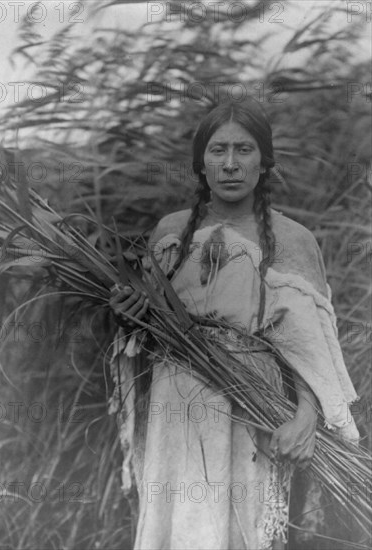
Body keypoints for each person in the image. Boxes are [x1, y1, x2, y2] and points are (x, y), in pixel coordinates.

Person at [109, 98, 359, 550]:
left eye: (243, 150)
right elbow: (146, 337)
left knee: (243, 528)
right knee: (179, 528)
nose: (229, 164)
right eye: (217, 150)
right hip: (175, 407)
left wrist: (305, 417)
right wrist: (129, 317)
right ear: (200, 163)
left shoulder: (293, 241)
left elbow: (313, 351)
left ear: (264, 162)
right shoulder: (170, 233)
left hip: (254, 412)